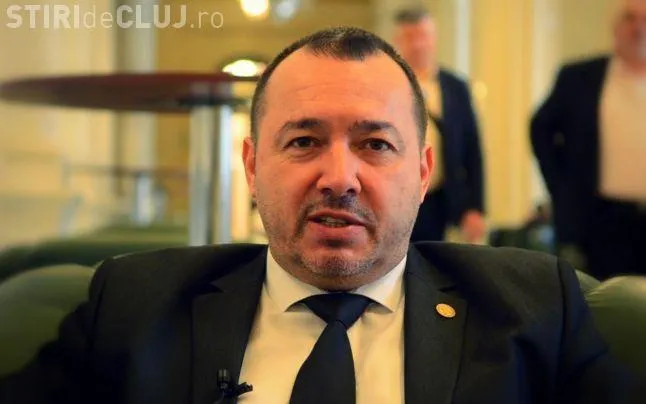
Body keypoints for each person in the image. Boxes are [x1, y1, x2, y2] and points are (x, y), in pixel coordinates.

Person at [0, 27, 640, 404]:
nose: (339, 177)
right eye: (304, 141)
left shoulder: (534, 309)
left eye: (375, 144)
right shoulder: (133, 305)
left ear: (422, 173)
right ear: (253, 166)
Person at [531, 0, 646, 280]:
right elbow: (541, 128)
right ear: (615, 26)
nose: (639, 28)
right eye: (630, 18)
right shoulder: (580, 78)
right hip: (603, 226)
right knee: (605, 302)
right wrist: (562, 190)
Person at [393, 7, 486, 243]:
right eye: (410, 37)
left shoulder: (456, 87)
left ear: (434, 38)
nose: (418, 44)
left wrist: (475, 207)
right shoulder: (388, 85)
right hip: (397, 194)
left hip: (443, 198)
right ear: (398, 41)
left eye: (423, 35)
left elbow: (472, 148)